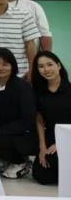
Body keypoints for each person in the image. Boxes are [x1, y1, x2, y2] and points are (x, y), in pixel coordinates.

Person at [0, 48, 36, 179]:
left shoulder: (23, 87)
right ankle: (3, 159)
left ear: (12, 66)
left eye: (5, 64)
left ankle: (21, 161)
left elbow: (28, 120)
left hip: (19, 134)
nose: (0, 68)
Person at [32, 52, 70, 185]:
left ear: (58, 65)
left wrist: (61, 142)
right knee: (41, 175)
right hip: (51, 137)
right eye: (41, 66)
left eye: (49, 64)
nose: (46, 69)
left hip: (69, 136)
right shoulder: (39, 92)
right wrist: (42, 147)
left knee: (55, 161)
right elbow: (39, 120)